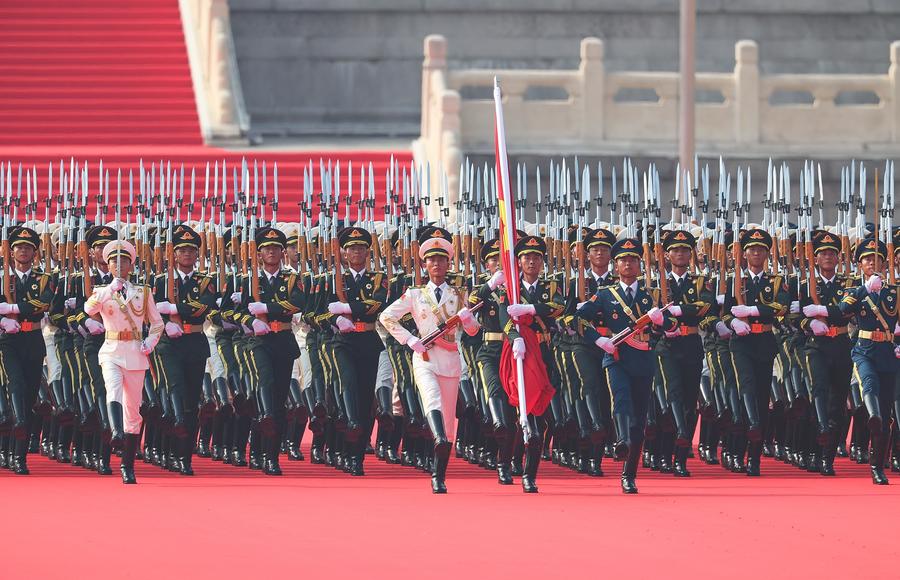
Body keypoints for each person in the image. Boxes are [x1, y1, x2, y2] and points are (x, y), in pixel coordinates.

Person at [380, 233, 480, 493]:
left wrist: (468, 320)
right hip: (424, 358)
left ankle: (439, 473)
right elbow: (386, 317)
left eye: (441, 260)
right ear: (424, 265)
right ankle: (436, 438)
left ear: (448, 264)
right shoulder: (415, 294)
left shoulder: (459, 294)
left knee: (448, 422)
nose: (436, 265)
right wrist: (409, 339)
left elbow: (472, 331)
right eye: (431, 260)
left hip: (449, 360)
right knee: (431, 400)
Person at [576, 237, 676, 494]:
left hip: (643, 358)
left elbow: (672, 328)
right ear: (616, 265)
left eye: (633, 260)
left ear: (639, 265)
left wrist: (660, 321)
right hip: (617, 357)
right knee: (620, 400)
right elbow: (578, 320)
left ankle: (629, 473)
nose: (628, 264)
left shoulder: (650, 295)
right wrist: (597, 339)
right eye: (623, 260)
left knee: (640, 419)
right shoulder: (606, 295)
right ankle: (621, 441)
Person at [85, 240, 164, 484]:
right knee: (113, 390)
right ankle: (116, 432)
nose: (119, 265)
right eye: (114, 262)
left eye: (124, 261)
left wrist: (150, 343)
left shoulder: (143, 291)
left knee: (134, 411)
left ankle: (127, 464)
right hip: (111, 350)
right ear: (107, 265)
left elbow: (157, 323)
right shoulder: (102, 291)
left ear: (131, 265)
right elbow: (89, 309)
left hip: (135, 353)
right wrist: (110, 290)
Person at [838, 237, 899, 485]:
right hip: (864, 351)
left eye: (877, 259)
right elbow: (843, 309)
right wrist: (866, 289)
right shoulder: (854, 290)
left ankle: (877, 467)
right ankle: (872, 415)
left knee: (886, 414)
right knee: (869, 385)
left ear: (884, 264)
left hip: (887, 352)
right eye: (867, 260)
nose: (872, 263)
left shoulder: (894, 292)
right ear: (860, 264)